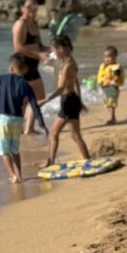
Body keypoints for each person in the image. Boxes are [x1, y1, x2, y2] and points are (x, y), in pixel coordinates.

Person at [0, 54, 47, 184]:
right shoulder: (26, 85)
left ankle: (12, 175)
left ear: (11, 68)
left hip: (3, 120)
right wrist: (41, 123)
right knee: (15, 150)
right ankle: (19, 175)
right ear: (24, 70)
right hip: (18, 120)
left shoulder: (2, 78)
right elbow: (34, 105)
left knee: (4, 151)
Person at [41, 35, 91, 167]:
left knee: (55, 133)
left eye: (53, 49)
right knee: (74, 135)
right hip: (72, 99)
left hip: (68, 101)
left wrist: (45, 101)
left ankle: (51, 162)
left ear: (61, 49)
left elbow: (61, 88)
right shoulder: (69, 62)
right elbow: (76, 81)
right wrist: (80, 100)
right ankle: (88, 160)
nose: (52, 52)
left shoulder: (67, 66)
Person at [12, 0, 48, 135]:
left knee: (39, 97)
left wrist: (48, 49)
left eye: (35, 7)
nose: (33, 9)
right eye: (29, 7)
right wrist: (39, 55)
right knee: (23, 101)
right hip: (22, 66)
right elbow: (18, 47)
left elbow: (38, 45)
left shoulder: (35, 23)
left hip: (34, 66)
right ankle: (18, 129)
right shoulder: (21, 24)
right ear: (22, 8)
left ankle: (29, 128)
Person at [97, 45, 125, 125]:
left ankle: (113, 118)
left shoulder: (116, 67)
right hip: (105, 88)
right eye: (105, 57)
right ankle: (112, 117)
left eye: (109, 57)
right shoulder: (104, 66)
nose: (107, 59)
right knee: (107, 104)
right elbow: (101, 75)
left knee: (112, 103)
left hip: (112, 87)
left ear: (115, 57)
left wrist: (111, 82)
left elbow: (116, 76)